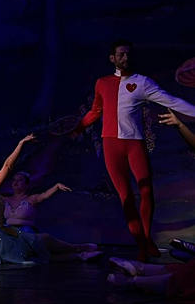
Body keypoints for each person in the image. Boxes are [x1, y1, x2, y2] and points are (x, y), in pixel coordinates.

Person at [71, 40, 195, 261]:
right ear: (112, 58)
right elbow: (95, 111)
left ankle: (147, 237)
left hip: (135, 144)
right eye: (121, 54)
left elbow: (171, 100)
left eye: (128, 54)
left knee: (146, 192)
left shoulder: (142, 82)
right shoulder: (102, 83)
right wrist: (76, 129)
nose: (125, 58)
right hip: (111, 145)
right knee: (125, 197)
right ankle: (142, 246)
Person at [0, 135, 102, 265]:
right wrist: (21, 144)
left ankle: (79, 254)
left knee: (36, 250)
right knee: (39, 243)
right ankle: (78, 249)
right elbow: (8, 166)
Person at [2, 172, 72, 234]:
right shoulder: (5, 199)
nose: (16, 182)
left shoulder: (32, 199)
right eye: (14, 180)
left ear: (27, 185)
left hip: (26, 233)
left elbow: (44, 195)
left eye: (20, 180)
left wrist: (56, 187)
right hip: (8, 233)